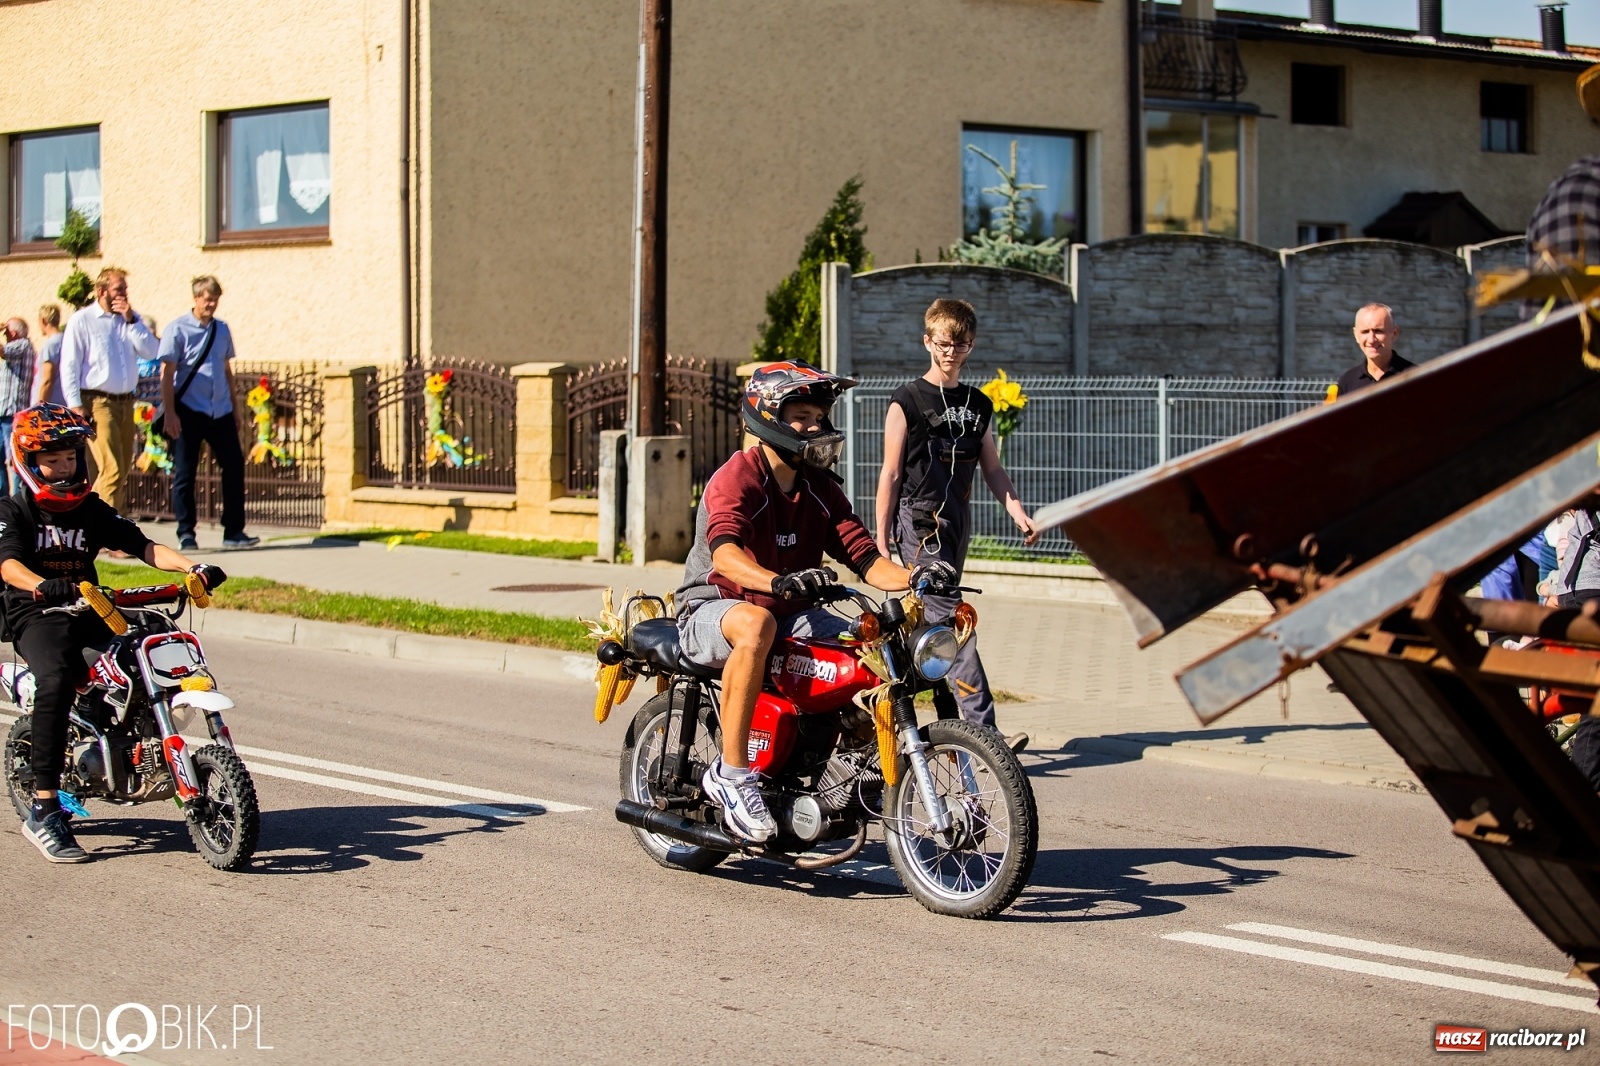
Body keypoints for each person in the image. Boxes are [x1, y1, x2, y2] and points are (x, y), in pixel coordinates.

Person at [675, 361, 943, 843]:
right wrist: (776, 583)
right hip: (713, 607)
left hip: (788, 614)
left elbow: (864, 557)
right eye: (801, 415)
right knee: (757, 625)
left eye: (819, 416)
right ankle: (732, 776)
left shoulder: (820, 486)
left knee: (869, 649)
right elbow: (727, 554)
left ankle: (842, 780)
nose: (815, 426)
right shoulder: (737, 478)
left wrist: (916, 577)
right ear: (767, 415)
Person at [0, 403, 225, 862]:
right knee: (57, 679)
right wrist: (42, 585)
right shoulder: (15, 508)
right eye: (53, 460)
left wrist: (192, 567)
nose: (64, 468)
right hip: (36, 613)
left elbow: (141, 544)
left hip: (88, 606)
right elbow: (7, 564)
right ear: (28, 461)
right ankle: (45, 812)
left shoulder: (89, 508)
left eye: (70, 458)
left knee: (146, 644)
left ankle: (133, 744)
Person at [874, 298, 1038, 749]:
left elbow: (993, 469)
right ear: (928, 341)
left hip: (957, 522)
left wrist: (1017, 510)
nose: (952, 352)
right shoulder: (905, 401)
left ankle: (919, 719)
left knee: (928, 625)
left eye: (961, 344)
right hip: (919, 520)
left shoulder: (979, 405)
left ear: (972, 345)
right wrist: (881, 540)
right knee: (953, 623)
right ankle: (984, 733)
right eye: (945, 343)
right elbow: (889, 473)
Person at [160, 275, 257, 551]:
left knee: (234, 466)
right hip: (189, 410)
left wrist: (235, 409)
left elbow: (227, 370)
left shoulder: (222, 329)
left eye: (215, 298)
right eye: (207, 298)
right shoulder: (177, 329)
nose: (211, 303)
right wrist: (170, 413)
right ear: (196, 298)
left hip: (221, 410)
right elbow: (166, 374)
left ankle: (234, 531)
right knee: (185, 472)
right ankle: (186, 532)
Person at [59, 267, 157, 514]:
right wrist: (75, 405)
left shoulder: (129, 320)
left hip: (126, 402)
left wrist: (132, 320)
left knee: (122, 468)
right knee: (111, 469)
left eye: (125, 288)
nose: (124, 294)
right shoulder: (82, 320)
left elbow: (152, 351)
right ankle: (112, 535)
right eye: (118, 289)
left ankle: (90, 520)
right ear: (101, 291)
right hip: (97, 403)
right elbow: (69, 363)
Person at [1329, 304, 1414, 400]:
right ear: (1356, 335)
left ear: (1394, 333)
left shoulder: (1414, 378)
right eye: (1365, 332)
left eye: (1378, 331)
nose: (1371, 340)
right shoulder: (1347, 382)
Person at [2, 319, 36, 495]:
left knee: (14, 460)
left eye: (6, 331)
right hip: (4, 413)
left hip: (12, 413)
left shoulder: (22, 345)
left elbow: (2, 350)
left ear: (14, 332)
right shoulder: (16, 348)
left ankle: (16, 501)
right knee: (2, 460)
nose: (4, 335)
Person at [32, 304, 65, 407]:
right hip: (62, 405)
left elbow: (47, 380)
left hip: (50, 408)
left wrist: (39, 409)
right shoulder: (65, 340)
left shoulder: (51, 344)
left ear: (43, 320)